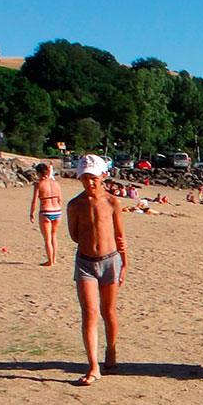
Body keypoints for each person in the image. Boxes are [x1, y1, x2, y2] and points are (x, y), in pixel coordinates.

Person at [67, 155, 128, 387]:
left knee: (108, 311)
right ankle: (93, 365)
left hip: (110, 261)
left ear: (103, 176)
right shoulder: (75, 204)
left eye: (93, 178)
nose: (89, 183)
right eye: (85, 178)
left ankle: (111, 350)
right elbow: (74, 234)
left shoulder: (112, 202)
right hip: (85, 262)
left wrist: (124, 263)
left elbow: (120, 235)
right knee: (90, 312)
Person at [29, 163, 63, 267]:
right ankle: (54, 258)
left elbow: (34, 201)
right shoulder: (55, 183)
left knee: (47, 238)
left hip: (46, 210)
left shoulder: (39, 184)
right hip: (57, 210)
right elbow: (60, 199)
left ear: (38, 173)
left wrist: (31, 213)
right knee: (54, 236)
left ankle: (50, 261)